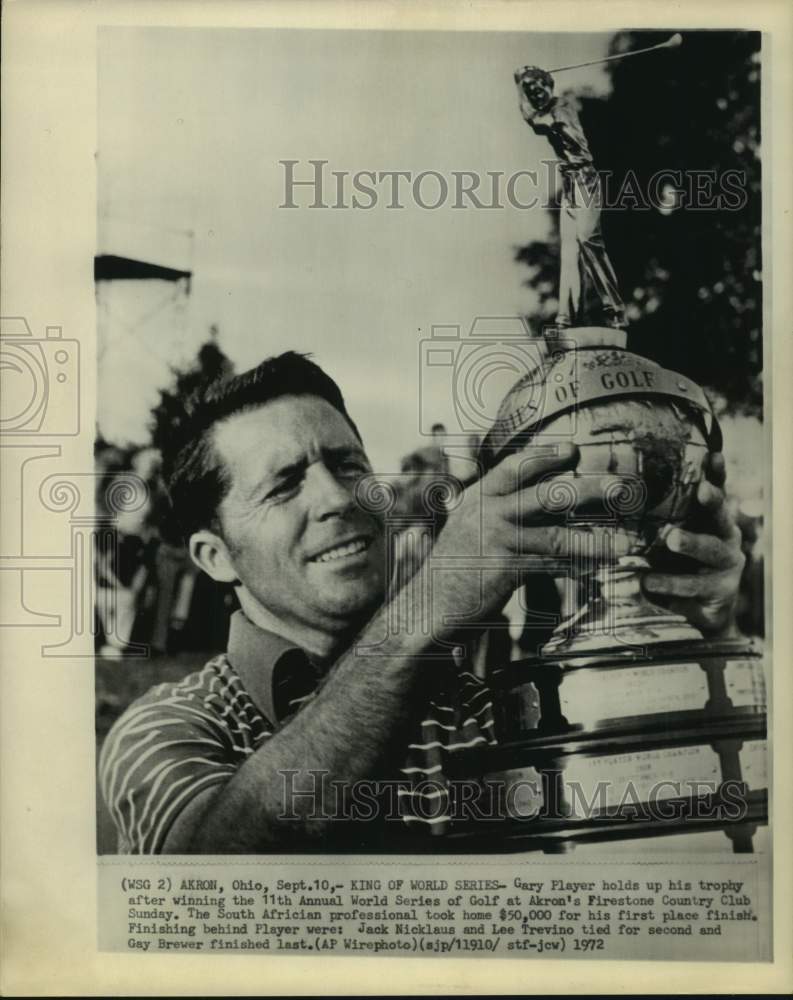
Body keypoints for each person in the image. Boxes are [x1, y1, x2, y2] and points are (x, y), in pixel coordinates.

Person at [99, 352, 744, 854]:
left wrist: (688, 653)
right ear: (216, 556)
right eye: (283, 485)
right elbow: (211, 873)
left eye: (349, 465)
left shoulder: (487, 713)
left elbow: (666, 834)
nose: (337, 497)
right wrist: (427, 608)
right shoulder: (166, 729)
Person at [514, 65, 626, 329]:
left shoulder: (561, 108)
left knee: (589, 241)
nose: (536, 93)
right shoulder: (546, 110)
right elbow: (534, 116)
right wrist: (522, 86)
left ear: (548, 86)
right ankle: (568, 317)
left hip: (585, 179)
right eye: (531, 91)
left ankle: (616, 309)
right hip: (570, 184)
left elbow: (536, 122)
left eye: (539, 87)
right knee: (569, 252)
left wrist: (519, 85)